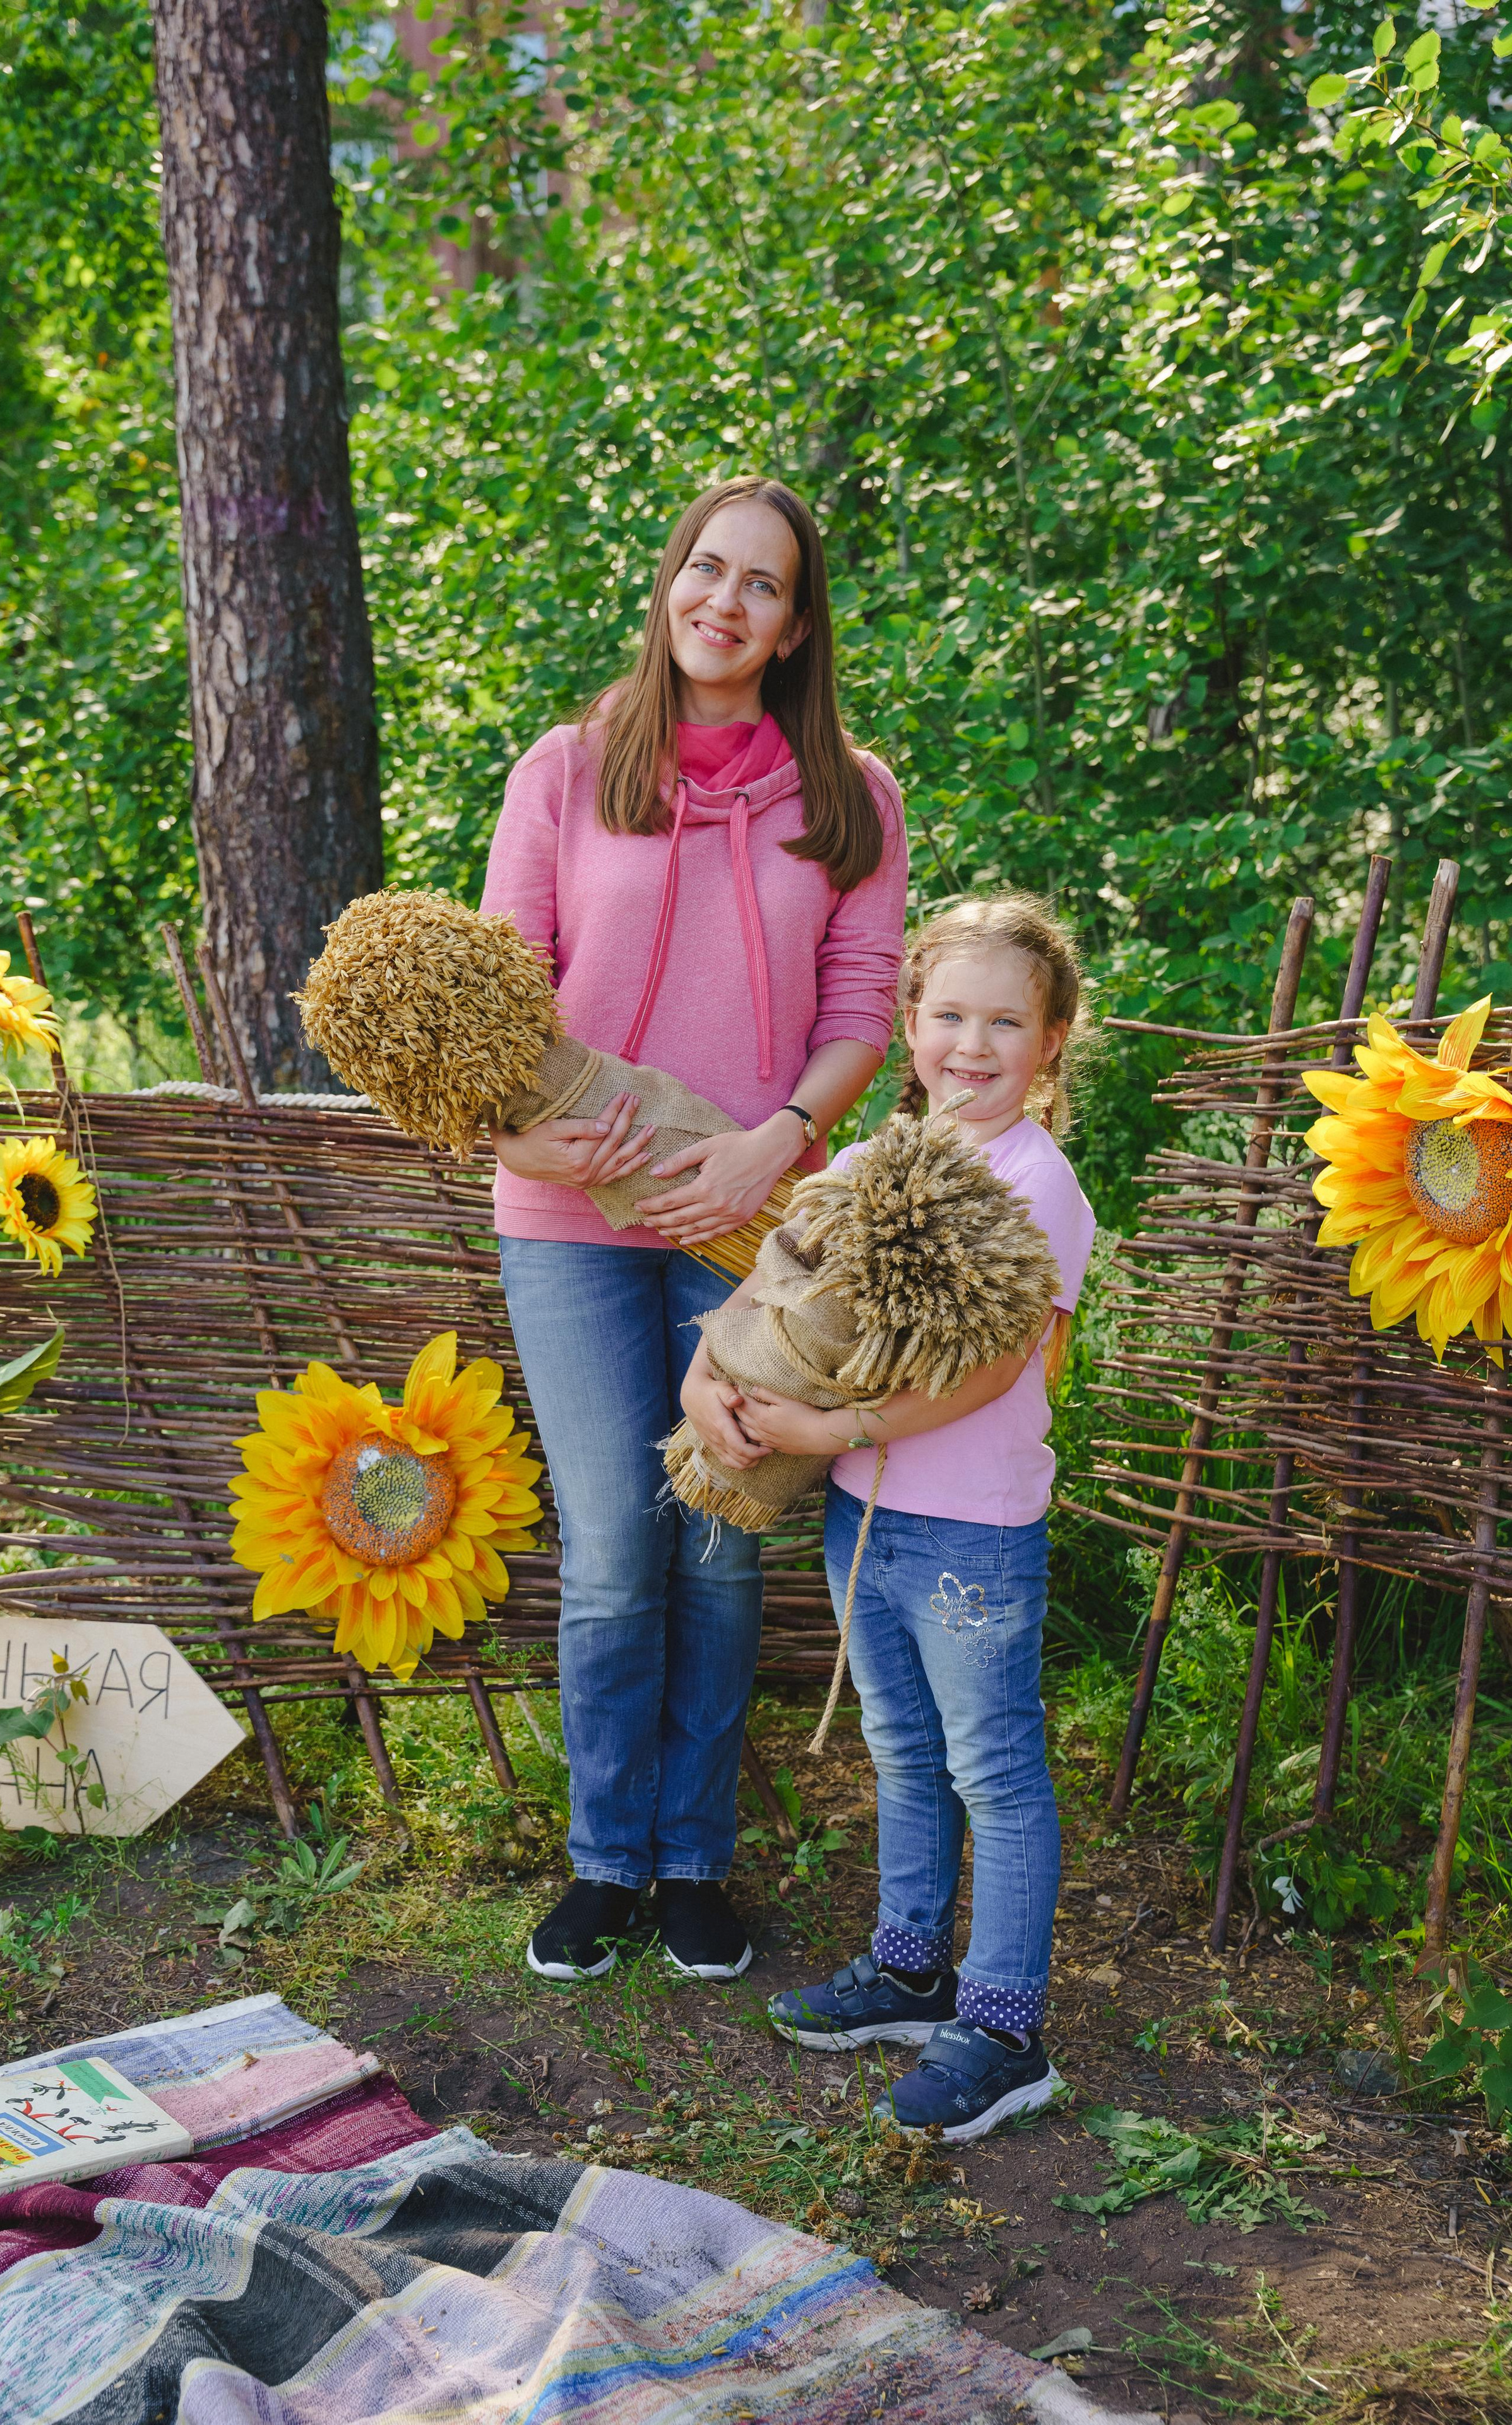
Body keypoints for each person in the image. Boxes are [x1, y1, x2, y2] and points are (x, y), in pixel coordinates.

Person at [480, 476, 908, 1985]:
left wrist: (773, 1142)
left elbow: (861, 1009)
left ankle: (693, 1865)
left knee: (723, 1537)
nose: (723, 602)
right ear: (669, 583)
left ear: (794, 629)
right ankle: (606, 1861)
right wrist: (510, 1133)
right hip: (569, 1218)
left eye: (761, 585)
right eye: (705, 569)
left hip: (751, 1226)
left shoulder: (849, 797)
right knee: (612, 1544)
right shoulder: (565, 768)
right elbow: (495, 997)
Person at [681, 895, 1095, 2138]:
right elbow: (770, 1283)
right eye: (949, 1015)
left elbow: (995, 1368)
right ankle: (911, 1970)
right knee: (903, 1749)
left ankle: (1004, 2030)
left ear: (1052, 1041)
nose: (972, 1045)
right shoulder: (868, 1164)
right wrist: (705, 1380)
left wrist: (838, 1430)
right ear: (910, 1022)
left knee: (993, 1768)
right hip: (865, 1518)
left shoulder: (1036, 1184)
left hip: (971, 1533)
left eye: (1005, 1023)